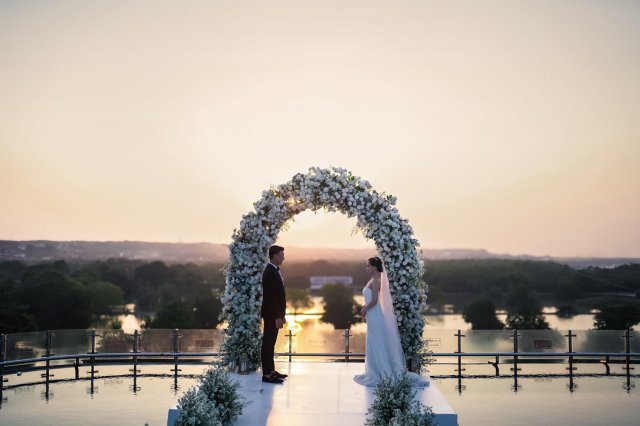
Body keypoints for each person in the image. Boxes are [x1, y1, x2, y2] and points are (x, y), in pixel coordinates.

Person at [353, 256, 430, 387]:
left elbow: (375, 301)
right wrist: (365, 308)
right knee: (373, 340)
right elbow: (371, 299)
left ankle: (380, 372)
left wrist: (364, 309)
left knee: (376, 341)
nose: (367, 268)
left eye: (368, 266)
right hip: (372, 314)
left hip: (375, 314)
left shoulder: (376, 280)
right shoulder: (373, 279)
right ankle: (374, 370)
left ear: (374, 266)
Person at [261, 245, 288, 384]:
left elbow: (279, 296)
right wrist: (277, 316)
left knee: (271, 343)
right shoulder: (269, 272)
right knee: (268, 343)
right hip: (271, 315)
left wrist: (282, 314)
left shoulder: (274, 271)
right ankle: (267, 374)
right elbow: (270, 298)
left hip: (276, 314)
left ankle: (271, 371)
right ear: (274, 256)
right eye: (281, 255)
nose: (283, 257)